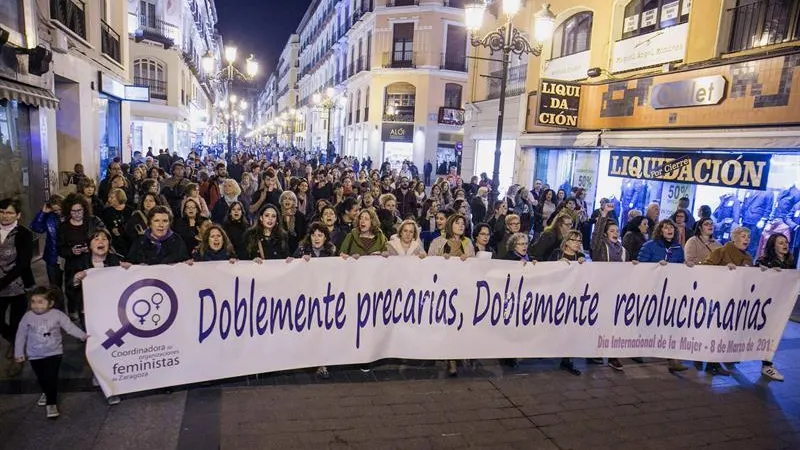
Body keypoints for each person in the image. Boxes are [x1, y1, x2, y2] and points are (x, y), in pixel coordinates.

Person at [14, 286, 87, 419]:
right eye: (33, 302)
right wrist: (19, 352)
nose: (36, 305)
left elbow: (69, 327)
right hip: (35, 355)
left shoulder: (57, 315)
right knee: (41, 377)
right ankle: (46, 391)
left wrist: (82, 335)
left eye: (40, 302)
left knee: (51, 377)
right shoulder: (27, 317)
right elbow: (21, 335)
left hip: (54, 353)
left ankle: (51, 403)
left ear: (51, 303)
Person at [700, 226, 755, 376]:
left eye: (748, 237)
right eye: (743, 236)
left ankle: (721, 359)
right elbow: (706, 268)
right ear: (734, 238)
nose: (746, 240)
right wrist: (723, 269)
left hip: (738, 300)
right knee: (717, 331)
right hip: (720, 298)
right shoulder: (722, 252)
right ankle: (712, 363)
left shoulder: (749, 258)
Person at [636, 219, 688, 373]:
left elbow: (680, 267)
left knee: (670, 323)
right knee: (647, 321)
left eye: (671, 227)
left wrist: (687, 266)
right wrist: (656, 266)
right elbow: (641, 267)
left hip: (671, 291)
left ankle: (672, 358)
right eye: (666, 227)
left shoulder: (678, 248)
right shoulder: (649, 246)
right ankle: (638, 350)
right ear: (660, 230)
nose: (669, 229)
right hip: (652, 290)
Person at [57, 194, 105, 323]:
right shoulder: (63, 227)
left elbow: (105, 238)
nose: (77, 214)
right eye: (73, 211)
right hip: (73, 266)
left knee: (93, 297)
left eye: (80, 210)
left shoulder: (94, 221)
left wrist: (91, 247)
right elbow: (60, 249)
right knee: (75, 295)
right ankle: (77, 316)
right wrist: (72, 251)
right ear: (68, 211)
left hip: (92, 264)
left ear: (85, 209)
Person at [0, 198, 36, 372]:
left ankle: (17, 358)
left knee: (16, 321)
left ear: (18, 215)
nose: (5, 216)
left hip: (17, 284)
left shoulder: (24, 234)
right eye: (1, 212)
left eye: (9, 212)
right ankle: (14, 341)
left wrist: (3, 282)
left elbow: (23, 263)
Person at [755, 234, 794, 382]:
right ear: (773, 246)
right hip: (764, 306)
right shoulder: (764, 261)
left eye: (786, 242)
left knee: (773, 335)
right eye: (781, 243)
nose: (785, 245)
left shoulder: (790, 262)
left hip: (780, 306)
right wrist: (765, 271)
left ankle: (767, 365)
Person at [30, 195, 64, 288]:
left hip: (66, 255)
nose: (58, 212)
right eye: (55, 210)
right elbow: (36, 228)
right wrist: (43, 213)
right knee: (54, 286)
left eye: (59, 209)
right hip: (52, 256)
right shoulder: (50, 217)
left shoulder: (70, 215)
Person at [100, 188, 134, 256]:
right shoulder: (106, 212)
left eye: (112, 197)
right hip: (114, 244)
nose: (109, 200)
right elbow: (103, 227)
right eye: (109, 197)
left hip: (130, 243)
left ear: (119, 198)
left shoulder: (131, 211)